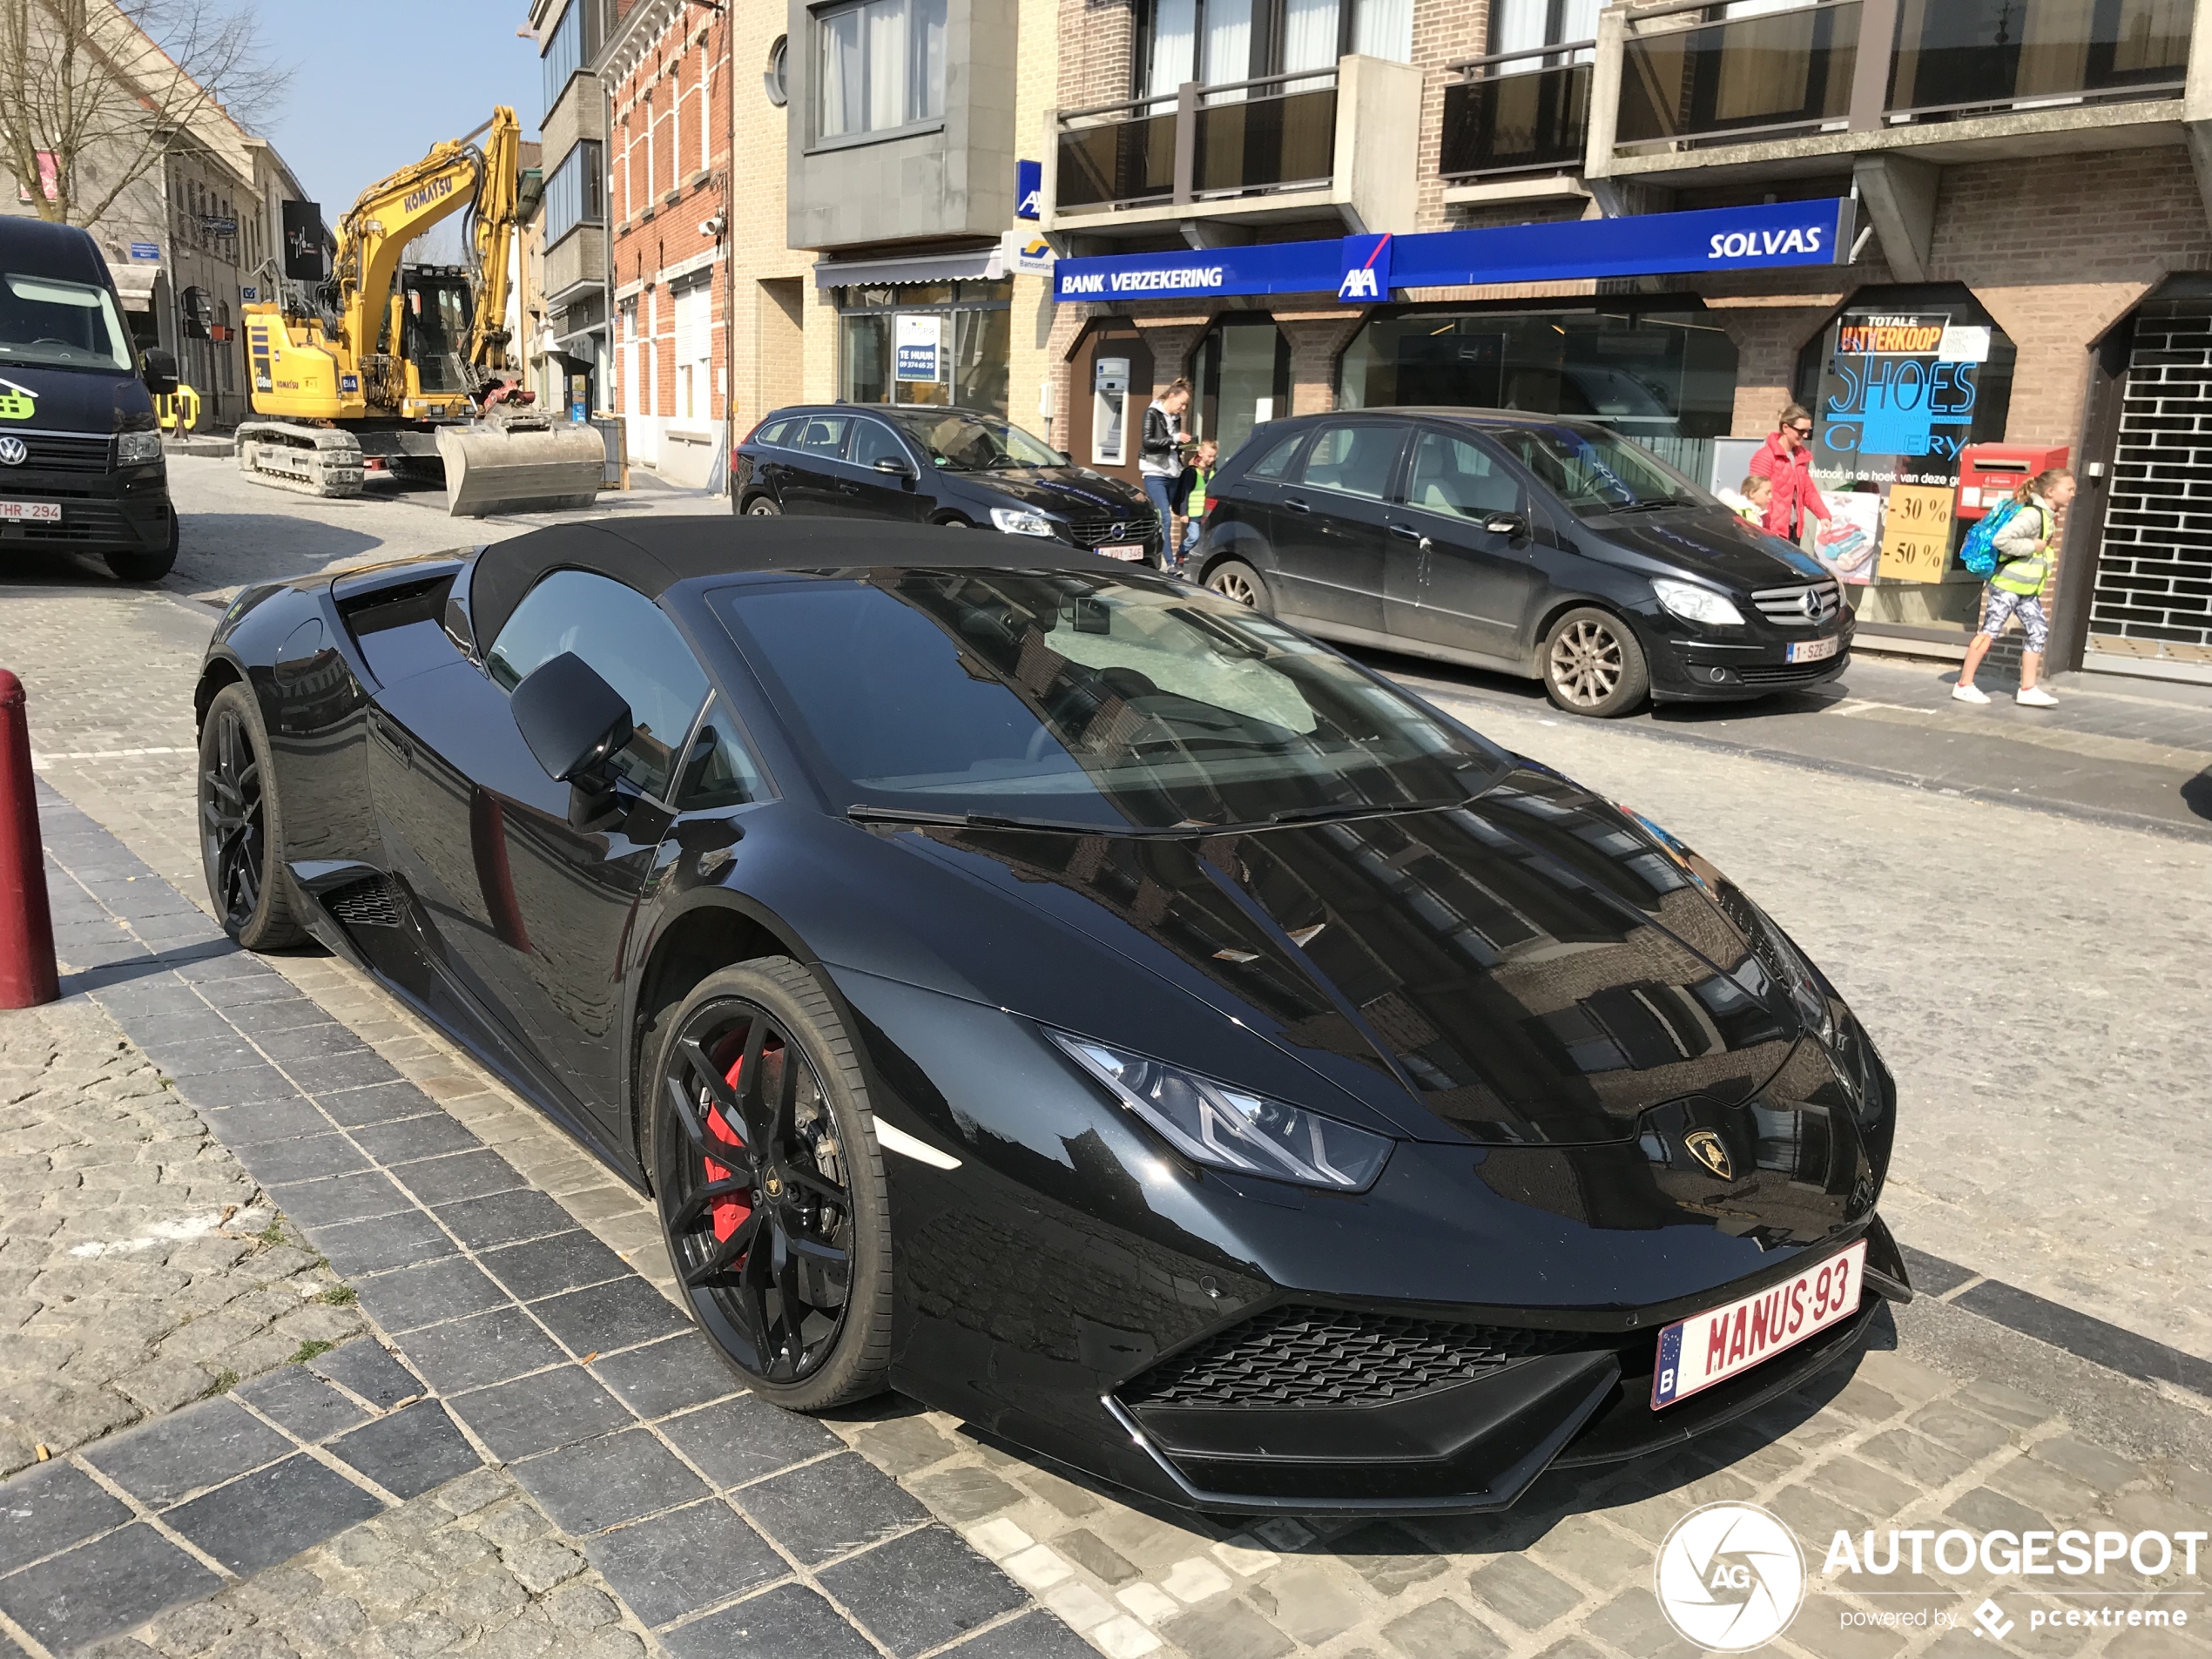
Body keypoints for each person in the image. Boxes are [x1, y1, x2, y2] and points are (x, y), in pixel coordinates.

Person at [1954, 468, 2075, 708]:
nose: (2073, 494)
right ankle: (1964, 685)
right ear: (2051, 491)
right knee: (1990, 631)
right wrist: (2033, 545)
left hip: (2026, 588)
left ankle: (2028, 689)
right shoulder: (2033, 515)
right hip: (2009, 585)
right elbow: (2002, 540)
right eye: (2069, 489)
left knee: (2038, 630)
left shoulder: (2047, 514)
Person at [1747, 404, 1830, 544]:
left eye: (1808, 431)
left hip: (1792, 529)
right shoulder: (1765, 456)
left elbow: (1808, 491)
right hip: (1770, 530)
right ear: (1785, 428)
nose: (1805, 435)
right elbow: (1756, 494)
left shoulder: (1799, 457)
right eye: (1801, 431)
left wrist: (1823, 515)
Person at [1140, 379, 1194, 560]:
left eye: (1186, 405)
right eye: (1182, 403)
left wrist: (1186, 448)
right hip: (1155, 471)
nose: (1183, 408)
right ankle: (1170, 563)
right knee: (1165, 517)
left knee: (1163, 518)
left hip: (1173, 472)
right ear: (1172, 396)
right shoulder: (1152, 414)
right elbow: (1147, 442)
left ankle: (1151, 553)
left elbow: (1172, 446)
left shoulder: (1175, 418)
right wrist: (1175, 439)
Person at [1175, 439, 1217, 569]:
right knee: (1194, 537)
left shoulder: (1214, 472)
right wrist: (1183, 512)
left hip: (1208, 514)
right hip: (1193, 513)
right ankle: (1181, 553)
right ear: (1200, 453)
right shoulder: (1192, 472)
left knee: (1205, 540)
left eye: (1214, 456)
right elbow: (1184, 493)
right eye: (1209, 456)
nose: (1212, 459)